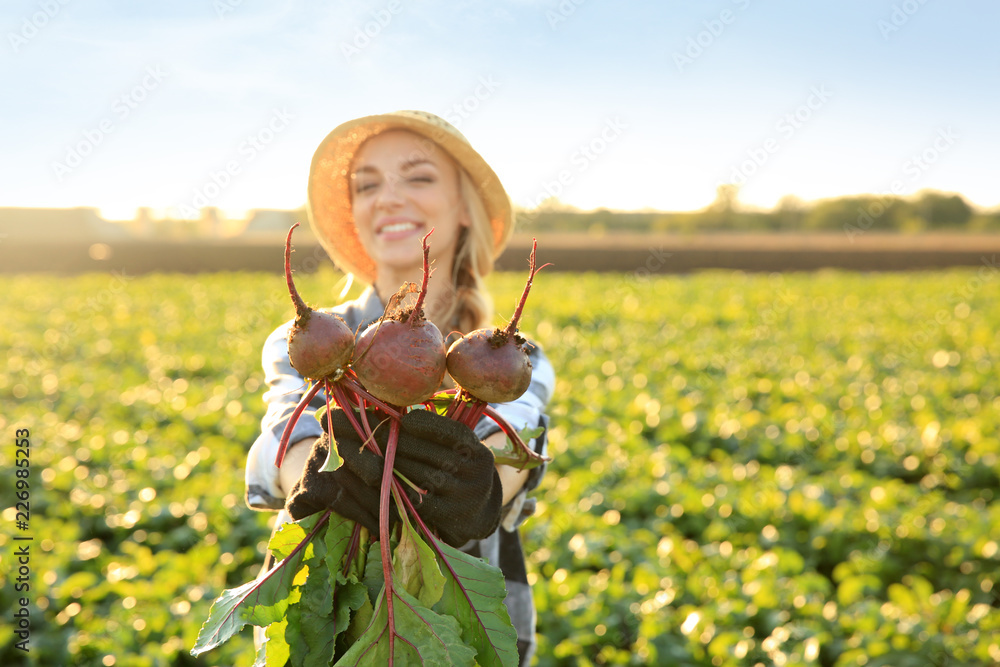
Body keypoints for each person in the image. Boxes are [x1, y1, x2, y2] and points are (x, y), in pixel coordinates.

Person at [244, 110, 555, 664]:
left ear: (465, 208)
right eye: (367, 185)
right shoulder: (306, 339)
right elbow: (285, 434)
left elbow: (519, 443)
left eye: (418, 177)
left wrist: (480, 490)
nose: (387, 198)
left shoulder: (518, 355)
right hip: (320, 619)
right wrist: (316, 476)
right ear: (357, 216)